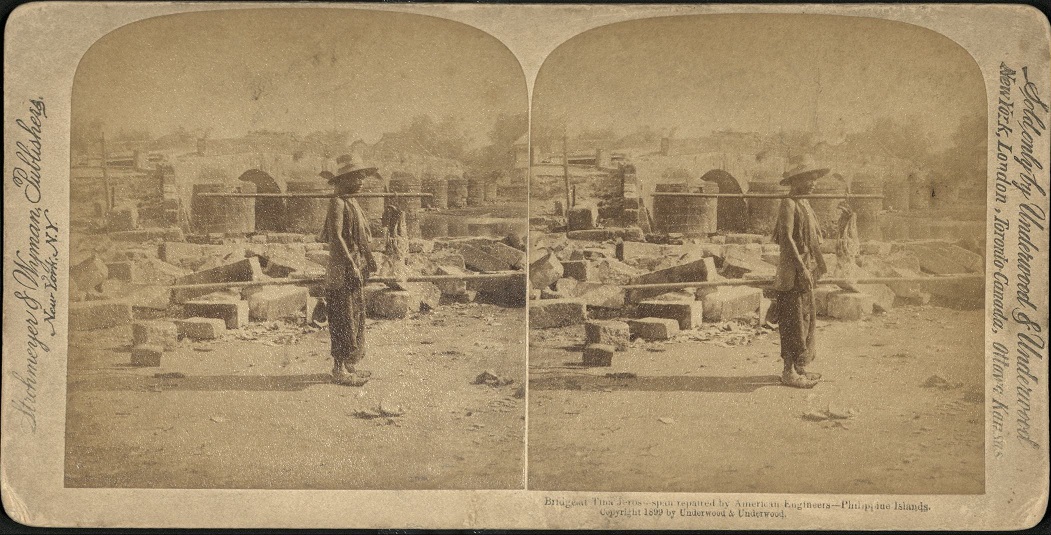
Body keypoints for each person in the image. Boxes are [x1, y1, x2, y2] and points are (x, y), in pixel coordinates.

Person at [318, 155, 379, 386]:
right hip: (340, 268)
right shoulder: (338, 203)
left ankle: (350, 364)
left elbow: (360, 239)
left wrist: (369, 260)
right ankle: (338, 369)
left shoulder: (353, 202)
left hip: (355, 266)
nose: (362, 180)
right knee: (341, 317)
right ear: (345, 180)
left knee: (355, 314)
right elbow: (336, 237)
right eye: (357, 176)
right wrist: (351, 264)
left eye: (363, 176)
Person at [771, 156, 829, 388]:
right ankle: (788, 370)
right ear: (797, 180)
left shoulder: (805, 204)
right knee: (791, 320)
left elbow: (813, 241)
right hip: (791, 271)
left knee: (805, 318)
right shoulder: (789, 203)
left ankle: (800, 367)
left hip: (805, 270)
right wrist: (801, 267)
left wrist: (820, 265)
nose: (815, 181)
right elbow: (786, 238)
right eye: (810, 177)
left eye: (816, 177)